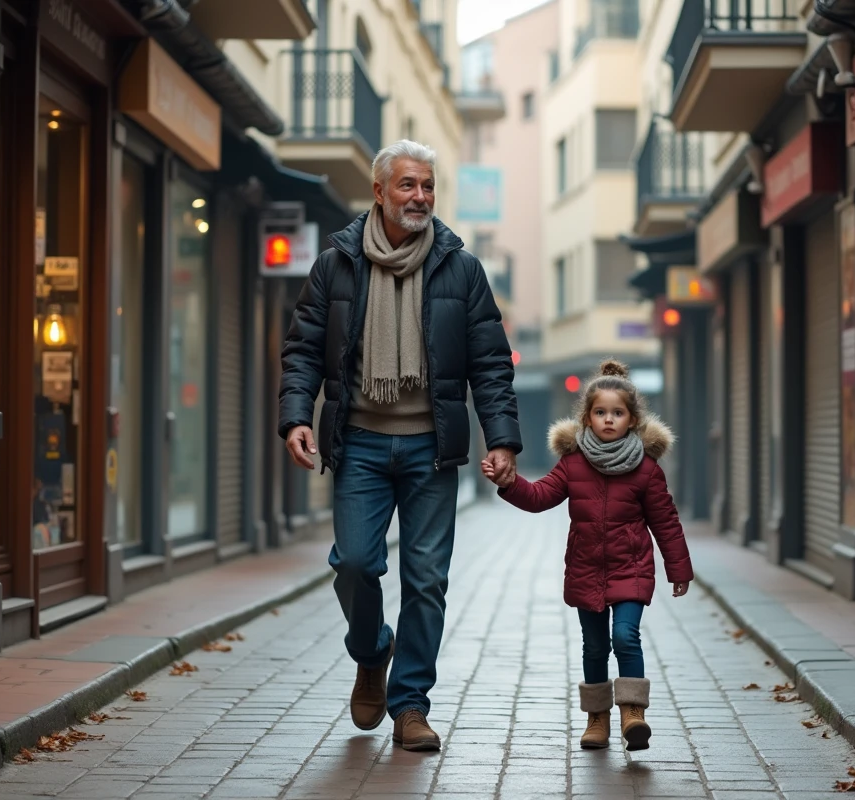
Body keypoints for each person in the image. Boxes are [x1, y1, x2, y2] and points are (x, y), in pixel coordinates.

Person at [278, 140, 521, 752]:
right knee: (356, 564)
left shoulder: (460, 267)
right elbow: (304, 348)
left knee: (427, 579)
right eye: (408, 185)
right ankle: (371, 652)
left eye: (429, 186)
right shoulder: (336, 262)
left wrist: (503, 440)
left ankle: (410, 704)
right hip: (358, 441)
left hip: (430, 448)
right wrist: (295, 417)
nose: (420, 197)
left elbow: (491, 363)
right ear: (379, 191)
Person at [482, 358, 693, 751]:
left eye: (617, 413)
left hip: (631, 568)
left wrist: (678, 568)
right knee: (594, 646)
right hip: (586, 569)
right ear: (587, 418)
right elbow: (541, 496)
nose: (608, 419)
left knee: (625, 636)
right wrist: (510, 484)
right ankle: (597, 718)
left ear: (632, 419)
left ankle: (633, 712)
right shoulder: (573, 464)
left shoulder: (646, 470)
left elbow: (666, 522)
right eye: (600, 412)